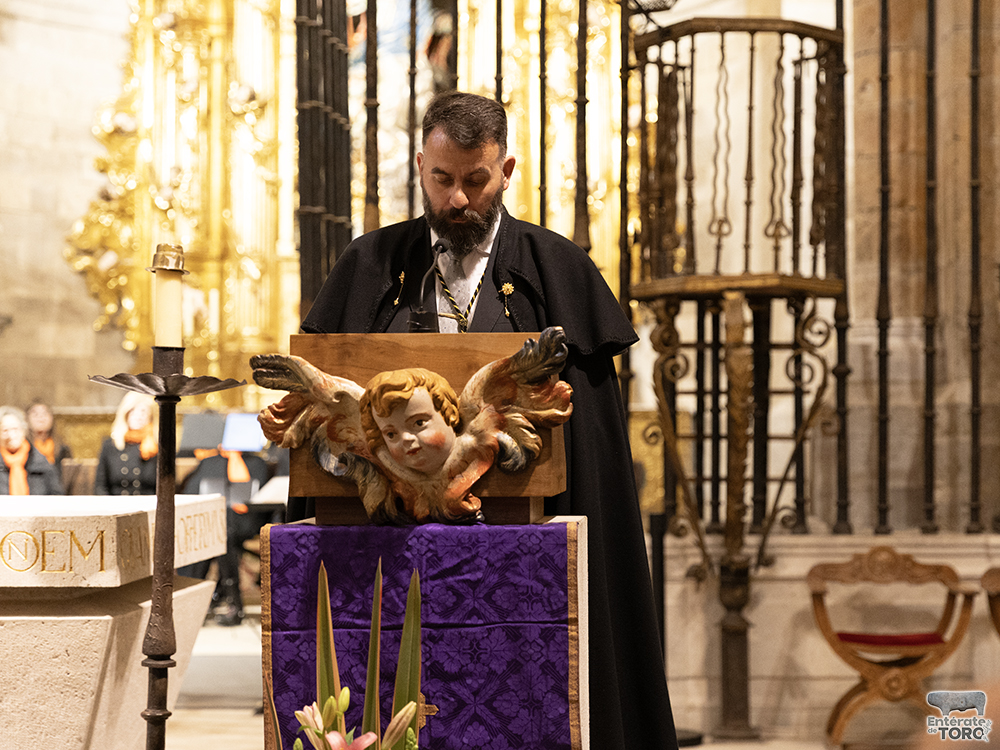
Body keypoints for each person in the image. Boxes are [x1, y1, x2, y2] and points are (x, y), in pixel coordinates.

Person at [299, 90, 679, 750]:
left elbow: (589, 447)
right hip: (390, 545)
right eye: (441, 179)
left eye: (476, 180)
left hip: (522, 558)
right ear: (421, 167)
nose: (457, 200)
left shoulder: (559, 270)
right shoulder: (367, 266)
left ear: (506, 170)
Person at [94, 392, 158, 495]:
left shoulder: (157, 447)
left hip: (148, 503)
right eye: (132, 411)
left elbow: (165, 487)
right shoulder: (110, 445)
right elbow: (100, 486)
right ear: (125, 414)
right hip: (117, 503)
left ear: (150, 416)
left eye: (143, 412)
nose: (138, 417)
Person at [0, 405, 64, 495]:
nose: (11, 435)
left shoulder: (41, 462)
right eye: (5, 430)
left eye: (15, 429)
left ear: (23, 431)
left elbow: (57, 495)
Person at [25, 400, 72, 486]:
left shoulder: (62, 448)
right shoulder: (23, 448)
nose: (41, 418)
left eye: (45, 414)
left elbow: (68, 476)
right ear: (27, 419)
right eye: (35, 415)